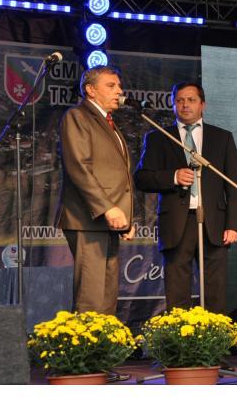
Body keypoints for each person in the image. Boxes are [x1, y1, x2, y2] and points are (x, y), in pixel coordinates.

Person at [134, 82, 237, 314]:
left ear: (203, 104)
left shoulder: (222, 138)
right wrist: (172, 176)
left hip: (214, 222)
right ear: (173, 105)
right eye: (180, 100)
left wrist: (233, 225)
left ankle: (215, 334)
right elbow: (142, 178)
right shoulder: (159, 137)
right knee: (177, 287)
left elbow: (233, 184)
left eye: (191, 100)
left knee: (214, 289)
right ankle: (180, 334)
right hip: (176, 222)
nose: (185, 105)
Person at [56, 65, 135, 315]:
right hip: (87, 219)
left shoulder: (108, 122)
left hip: (108, 221)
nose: (119, 91)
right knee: (91, 297)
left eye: (119, 86)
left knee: (107, 295)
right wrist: (108, 208)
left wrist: (126, 218)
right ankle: (86, 341)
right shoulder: (77, 116)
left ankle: (104, 340)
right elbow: (79, 167)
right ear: (90, 90)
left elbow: (116, 174)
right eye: (111, 86)